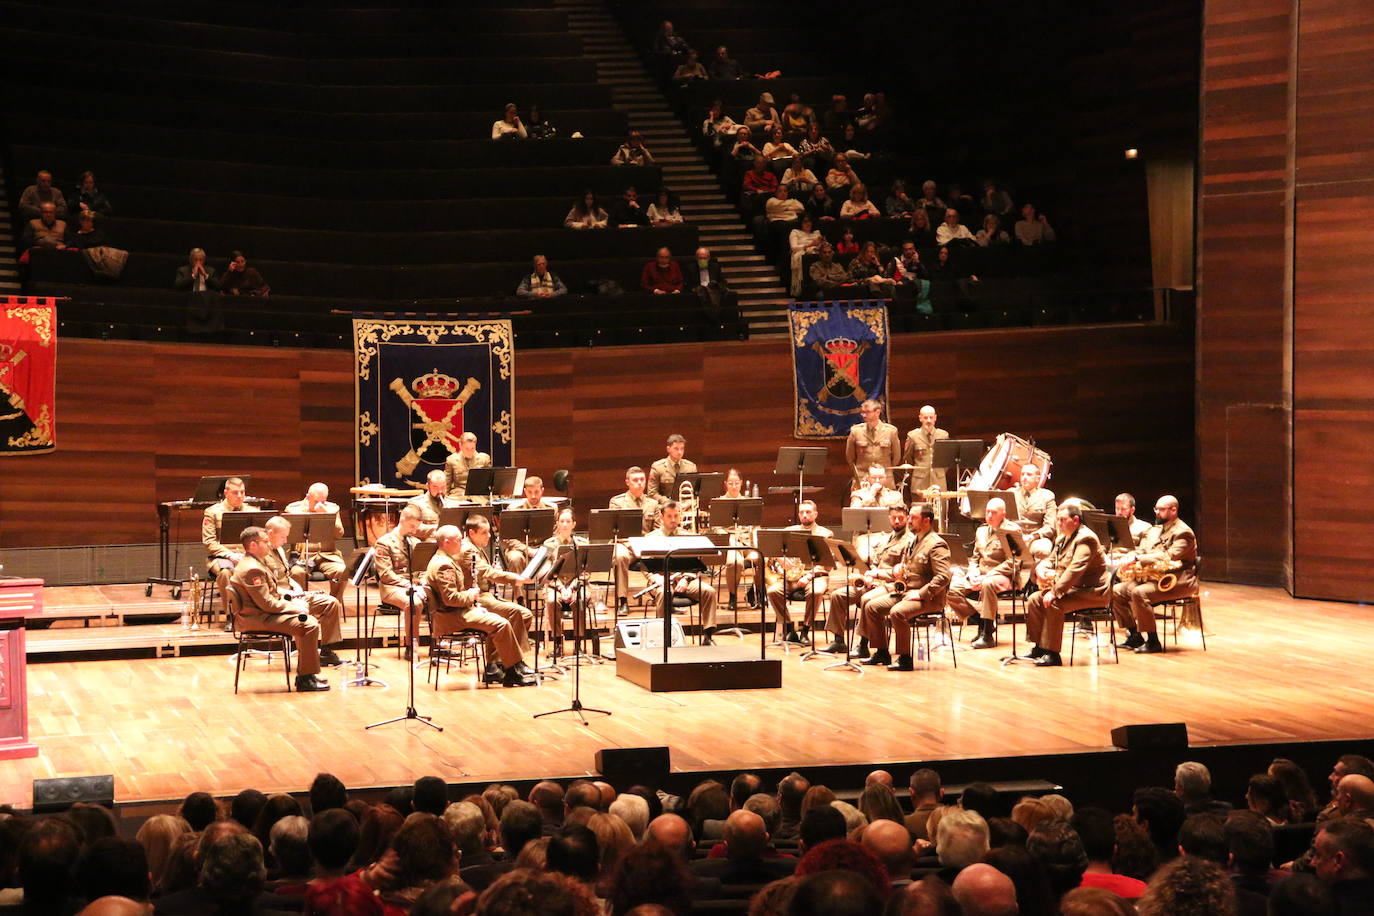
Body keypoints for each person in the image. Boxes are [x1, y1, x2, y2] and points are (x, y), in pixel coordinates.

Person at [230, 526, 343, 691]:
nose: (269, 544)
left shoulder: (255, 562)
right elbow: (267, 604)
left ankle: (307, 675)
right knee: (308, 625)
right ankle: (305, 679)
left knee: (310, 621)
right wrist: (294, 607)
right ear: (253, 545)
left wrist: (294, 600)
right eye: (265, 541)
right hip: (257, 618)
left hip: (261, 614)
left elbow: (271, 595)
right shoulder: (251, 569)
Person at [425, 521, 534, 687]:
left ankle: (508, 668)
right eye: (458, 540)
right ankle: (511, 670)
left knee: (502, 621)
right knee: (502, 623)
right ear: (447, 542)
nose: (462, 542)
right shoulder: (443, 565)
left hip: (460, 610)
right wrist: (470, 597)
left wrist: (474, 604)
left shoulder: (446, 559)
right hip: (450, 616)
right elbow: (450, 599)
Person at [859, 502, 952, 670]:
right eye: (909, 517)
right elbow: (902, 571)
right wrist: (879, 574)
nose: (909, 521)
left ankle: (905, 658)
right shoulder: (913, 541)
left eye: (914, 517)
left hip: (929, 598)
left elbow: (944, 576)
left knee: (898, 612)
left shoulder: (936, 544)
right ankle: (882, 652)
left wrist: (921, 593)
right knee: (871, 607)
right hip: (906, 592)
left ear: (926, 521)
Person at [1110, 494, 1199, 654]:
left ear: (1173, 510)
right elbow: (1143, 549)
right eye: (1156, 509)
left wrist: (1138, 558)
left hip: (1178, 580)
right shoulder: (1155, 530)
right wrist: (1126, 556)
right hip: (1154, 577)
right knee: (1116, 591)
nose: (1157, 512)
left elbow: (1168, 556)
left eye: (1161, 510)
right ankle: (1134, 635)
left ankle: (1152, 641)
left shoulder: (1184, 533)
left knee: (1139, 593)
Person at [1024, 503, 1109, 667]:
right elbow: (1051, 559)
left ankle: (1053, 653)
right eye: (1057, 520)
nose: (1059, 524)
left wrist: (1055, 591)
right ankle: (1039, 647)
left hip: (1092, 592)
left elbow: (1075, 569)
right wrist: (1042, 567)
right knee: (1035, 599)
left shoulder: (1086, 539)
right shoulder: (1063, 537)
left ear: (1075, 520)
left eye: (1062, 520)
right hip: (1074, 589)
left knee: (1054, 603)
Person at [826, 503, 910, 655]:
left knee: (866, 600)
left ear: (907, 518)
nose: (897, 521)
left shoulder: (909, 540)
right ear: (889, 519)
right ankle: (839, 641)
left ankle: (863, 645)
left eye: (901, 518)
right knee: (838, 595)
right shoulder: (886, 537)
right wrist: (867, 575)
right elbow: (875, 562)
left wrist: (877, 574)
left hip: (890, 584)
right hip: (874, 581)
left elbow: (903, 571)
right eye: (894, 518)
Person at [946, 498, 1019, 649]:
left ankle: (987, 636)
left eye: (994, 512)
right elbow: (975, 558)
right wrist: (972, 573)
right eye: (987, 512)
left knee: (987, 584)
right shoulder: (981, 530)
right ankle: (982, 622)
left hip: (1004, 576)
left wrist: (987, 575)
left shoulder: (1012, 530)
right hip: (981, 574)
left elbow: (1014, 562)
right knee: (950, 589)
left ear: (1003, 514)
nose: (990, 515)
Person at [642, 501, 720, 644]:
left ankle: (708, 635)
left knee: (708, 591)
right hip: (661, 580)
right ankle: (663, 637)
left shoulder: (688, 537)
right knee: (663, 592)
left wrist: (686, 578)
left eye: (676, 516)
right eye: (669, 516)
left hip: (684, 580)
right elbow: (645, 566)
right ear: (661, 517)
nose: (673, 520)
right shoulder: (651, 538)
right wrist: (655, 578)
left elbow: (695, 564)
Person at [766, 499, 833, 643]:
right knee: (773, 591)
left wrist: (809, 576)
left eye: (808, 512)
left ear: (815, 514)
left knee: (816, 591)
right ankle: (790, 628)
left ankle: (805, 630)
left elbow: (827, 564)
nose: (804, 515)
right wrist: (779, 558)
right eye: (802, 512)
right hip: (792, 577)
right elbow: (773, 549)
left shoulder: (825, 534)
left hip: (816, 575)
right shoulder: (789, 531)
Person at [284, 482, 349, 603]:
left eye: (323, 501)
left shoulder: (332, 509)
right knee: (297, 573)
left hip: (327, 555)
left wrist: (327, 515)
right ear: (308, 497)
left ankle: (333, 604)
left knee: (341, 571)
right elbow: (287, 536)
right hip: (302, 556)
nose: (320, 504)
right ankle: (302, 606)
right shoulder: (293, 509)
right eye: (316, 501)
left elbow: (339, 534)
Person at [608, 466, 661, 611]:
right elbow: (614, 532)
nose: (639, 483)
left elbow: (658, 531)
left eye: (642, 480)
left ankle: (663, 596)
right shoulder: (617, 502)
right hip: (625, 545)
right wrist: (633, 546)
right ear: (627, 482)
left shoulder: (653, 504)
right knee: (619, 556)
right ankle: (623, 600)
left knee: (664, 554)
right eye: (635, 480)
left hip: (646, 545)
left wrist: (644, 546)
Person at [372, 505, 427, 642]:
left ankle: (438, 643)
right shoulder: (384, 543)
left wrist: (424, 583)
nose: (414, 531)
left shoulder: (416, 542)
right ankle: (411, 645)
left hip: (415, 586)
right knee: (414, 602)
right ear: (402, 520)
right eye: (411, 526)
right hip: (392, 587)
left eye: (417, 527)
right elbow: (386, 574)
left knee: (441, 596)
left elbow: (422, 569)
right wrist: (409, 586)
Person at [202, 476, 249, 619]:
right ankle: (232, 616)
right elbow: (209, 542)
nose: (240, 496)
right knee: (225, 573)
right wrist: (230, 555)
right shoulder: (212, 512)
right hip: (221, 557)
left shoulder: (251, 510)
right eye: (236, 492)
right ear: (226, 493)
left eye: (242, 492)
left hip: (246, 556)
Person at [500, 475, 560, 572]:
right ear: (525, 491)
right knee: (515, 559)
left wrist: (544, 549)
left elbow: (555, 534)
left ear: (542, 490)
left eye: (536, 492)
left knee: (559, 555)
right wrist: (527, 550)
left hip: (543, 547)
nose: (533, 496)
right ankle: (518, 587)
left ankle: (554, 586)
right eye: (529, 492)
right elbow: (509, 538)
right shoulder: (514, 509)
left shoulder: (552, 508)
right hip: (519, 549)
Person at [845, 399, 902, 488]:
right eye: (862, 412)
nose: (864, 415)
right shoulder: (856, 431)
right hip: (862, 479)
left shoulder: (891, 431)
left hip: (885, 479)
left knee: (888, 502)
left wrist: (884, 471)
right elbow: (850, 457)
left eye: (867, 412)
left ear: (877, 412)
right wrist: (858, 473)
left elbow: (896, 457)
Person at [1014, 464, 1057, 558]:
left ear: (1037, 478)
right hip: (1014, 537)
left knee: (1043, 549)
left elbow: (1050, 526)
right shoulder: (1012, 493)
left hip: (1035, 538)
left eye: (1029, 475)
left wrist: (1033, 536)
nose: (1024, 477)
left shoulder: (1047, 496)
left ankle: (1036, 572)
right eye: (1022, 474)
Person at [902, 405, 949, 491]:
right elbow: (908, 459)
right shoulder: (913, 436)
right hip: (919, 482)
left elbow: (946, 459)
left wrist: (940, 472)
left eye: (931, 417)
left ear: (935, 418)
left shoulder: (943, 435)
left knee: (940, 504)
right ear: (920, 418)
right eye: (925, 417)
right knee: (919, 504)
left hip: (938, 481)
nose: (928, 420)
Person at [685, 246, 733, 315]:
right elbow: (688, 285)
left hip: (713, 294)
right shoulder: (690, 268)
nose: (702, 260)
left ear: (709, 258)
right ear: (696, 258)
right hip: (698, 296)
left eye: (705, 258)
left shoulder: (715, 267)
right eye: (700, 258)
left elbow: (722, 281)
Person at [444, 431, 492, 500]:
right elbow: (446, 484)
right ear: (460, 446)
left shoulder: (484, 459)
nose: (470, 451)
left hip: (479, 496)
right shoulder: (452, 460)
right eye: (467, 448)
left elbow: (490, 482)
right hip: (459, 496)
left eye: (472, 448)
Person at [787, 214, 824, 296]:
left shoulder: (816, 233)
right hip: (802, 255)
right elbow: (794, 247)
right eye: (805, 222)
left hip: (816, 253)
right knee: (806, 257)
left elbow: (822, 246)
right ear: (801, 223)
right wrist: (809, 245)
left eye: (810, 221)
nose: (808, 224)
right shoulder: (795, 232)